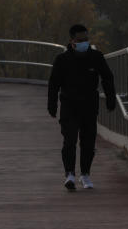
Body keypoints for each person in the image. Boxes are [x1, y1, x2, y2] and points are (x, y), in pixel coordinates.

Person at [47, 23, 116, 190]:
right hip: (69, 105)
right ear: (72, 41)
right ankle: (69, 173)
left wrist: (110, 98)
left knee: (88, 141)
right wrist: (52, 104)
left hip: (89, 106)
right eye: (80, 40)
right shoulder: (62, 60)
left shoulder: (96, 57)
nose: (84, 42)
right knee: (69, 139)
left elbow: (107, 77)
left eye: (86, 39)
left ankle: (85, 174)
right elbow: (53, 83)